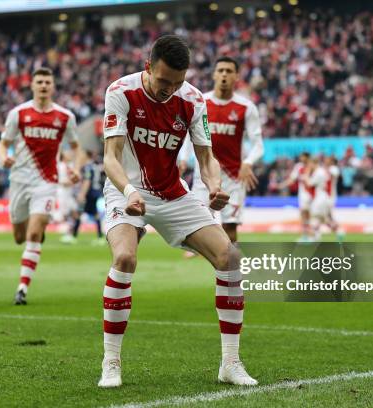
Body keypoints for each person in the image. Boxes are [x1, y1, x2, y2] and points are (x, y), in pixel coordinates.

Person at [97, 34, 257, 388]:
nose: (169, 89)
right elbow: (110, 157)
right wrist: (128, 191)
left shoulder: (193, 100)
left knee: (230, 257)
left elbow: (205, 157)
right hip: (127, 188)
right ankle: (111, 362)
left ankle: (230, 363)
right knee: (124, 259)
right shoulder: (120, 92)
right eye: (163, 80)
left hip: (172, 193)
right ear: (148, 67)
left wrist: (215, 185)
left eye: (177, 82)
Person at [0, 67, 81, 305]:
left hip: (46, 181)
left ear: (53, 86)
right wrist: (3, 157)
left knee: (33, 234)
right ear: (33, 86)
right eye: (40, 82)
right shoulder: (18, 113)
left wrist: (75, 168)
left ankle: (22, 288)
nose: (44, 85)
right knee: (19, 237)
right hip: (19, 181)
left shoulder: (65, 117)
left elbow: (75, 147)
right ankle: (36, 230)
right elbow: (3, 144)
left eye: (47, 82)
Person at [179, 56, 263, 244]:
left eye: (229, 71)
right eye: (221, 70)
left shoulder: (246, 107)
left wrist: (248, 163)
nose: (224, 74)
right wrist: (183, 158)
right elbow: (187, 134)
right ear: (214, 75)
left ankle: (229, 269)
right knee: (200, 225)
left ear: (236, 77)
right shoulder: (201, 103)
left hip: (233, 177)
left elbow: (258, 144)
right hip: (205, 174)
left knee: (230, 228)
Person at [278, 152, 313, 241]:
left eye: (303, 157)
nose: (301, 158)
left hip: (312, 194)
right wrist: (281, 185)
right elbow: (292, 179)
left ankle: (311, 235)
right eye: (301, 157)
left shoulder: (312, 166)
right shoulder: (299, 166)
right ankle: (306, 235)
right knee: (303, 214)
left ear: (307, 157)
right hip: (303, 194)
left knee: (309, 215)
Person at [74, 150, 105, 245]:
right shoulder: (93, 165)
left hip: (89, 193)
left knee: (79, 212)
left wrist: (82, 194)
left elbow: (87, 181)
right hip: (95, 192)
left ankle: (73, 236)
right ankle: (100, 237)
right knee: (92, 213)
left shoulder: (87, 166)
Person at [57, 150, 81, 244]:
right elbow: (60, 181)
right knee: (66, 214)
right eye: (68, 153)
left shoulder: (70, 166)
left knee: (74, 212)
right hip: (62, 193)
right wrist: (71, 182)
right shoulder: (60, 166)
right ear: (63, 156)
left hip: (70, 193)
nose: (70, 154)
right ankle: (67, 234)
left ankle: (70, 234)